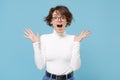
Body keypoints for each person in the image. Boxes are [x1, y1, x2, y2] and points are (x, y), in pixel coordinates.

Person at [24, 5, 90, 80]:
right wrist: (35, 44)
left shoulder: (73, 39)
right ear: (51, 21)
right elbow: (40, 66)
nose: (59, 20)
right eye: (55, 18)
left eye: (62, 17)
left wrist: (77, 44)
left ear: (67, 20)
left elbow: (75, 67)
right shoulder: (44, 38)